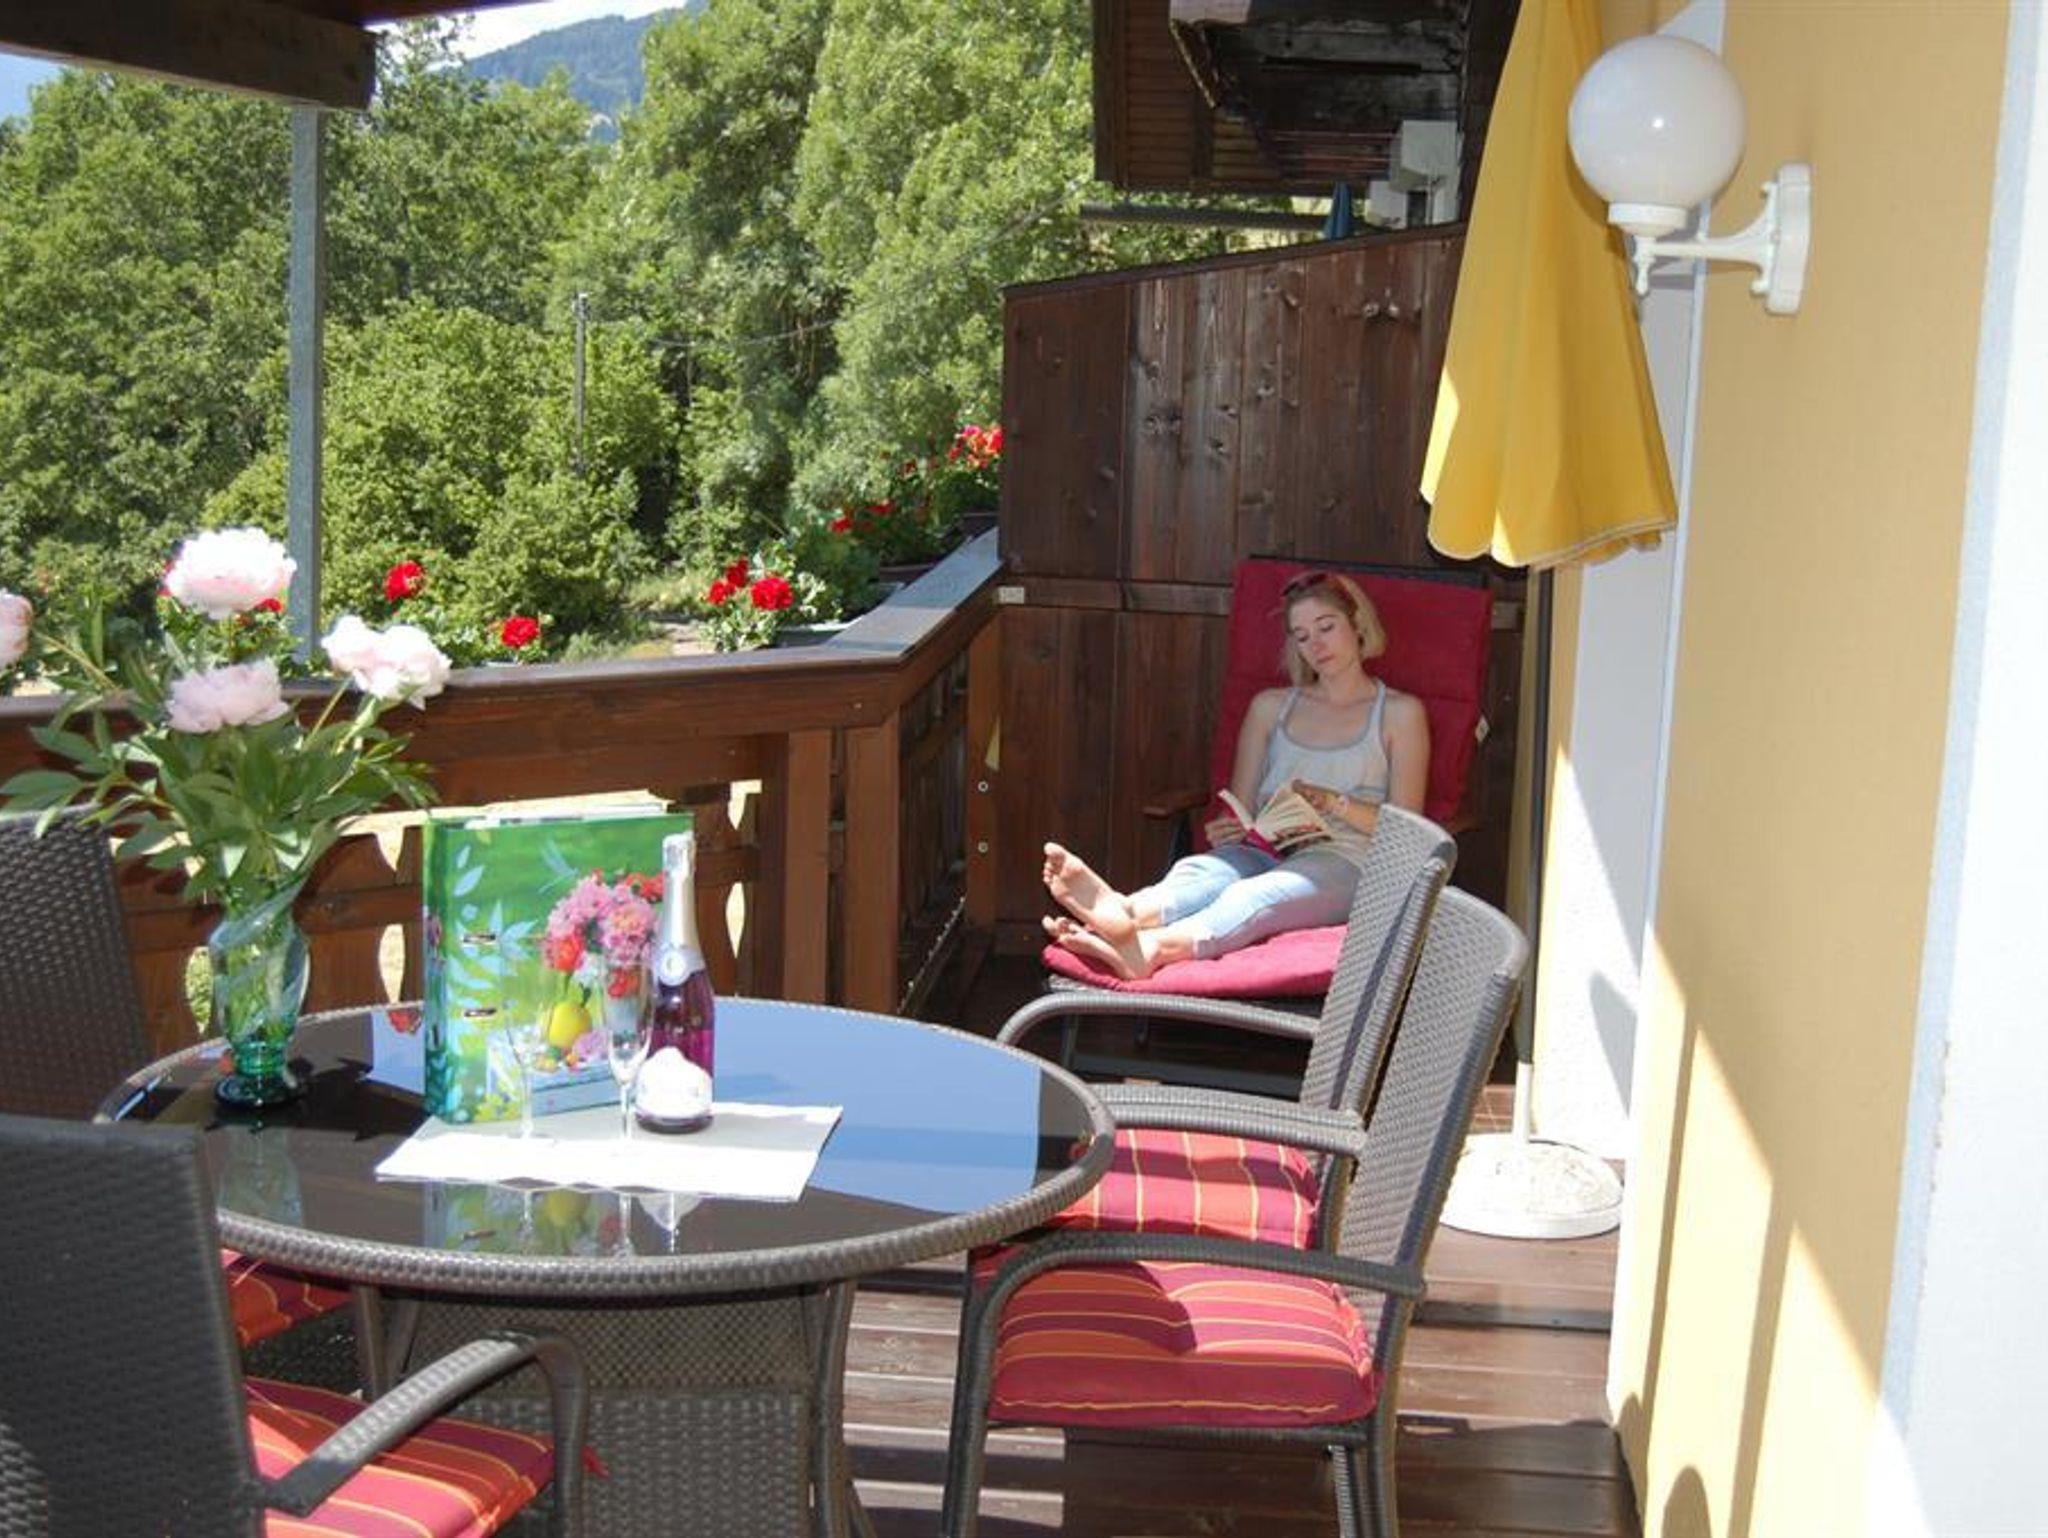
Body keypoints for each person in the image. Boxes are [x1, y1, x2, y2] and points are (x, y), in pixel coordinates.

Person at [1043, 570, 1429, 980]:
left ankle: (1152, 949)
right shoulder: (1270, 707)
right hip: (1267, 848)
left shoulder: (1400, 714)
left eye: (1326, 627)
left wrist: (1335, 803)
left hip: (1346, 861)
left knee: (1254, 895)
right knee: (1201, 873)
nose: (1316, 645)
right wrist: (1229, 829)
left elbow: (1407, 831)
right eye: (1301, 636)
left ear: (1358, 624)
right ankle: (1125, 912)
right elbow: (1240, 808)